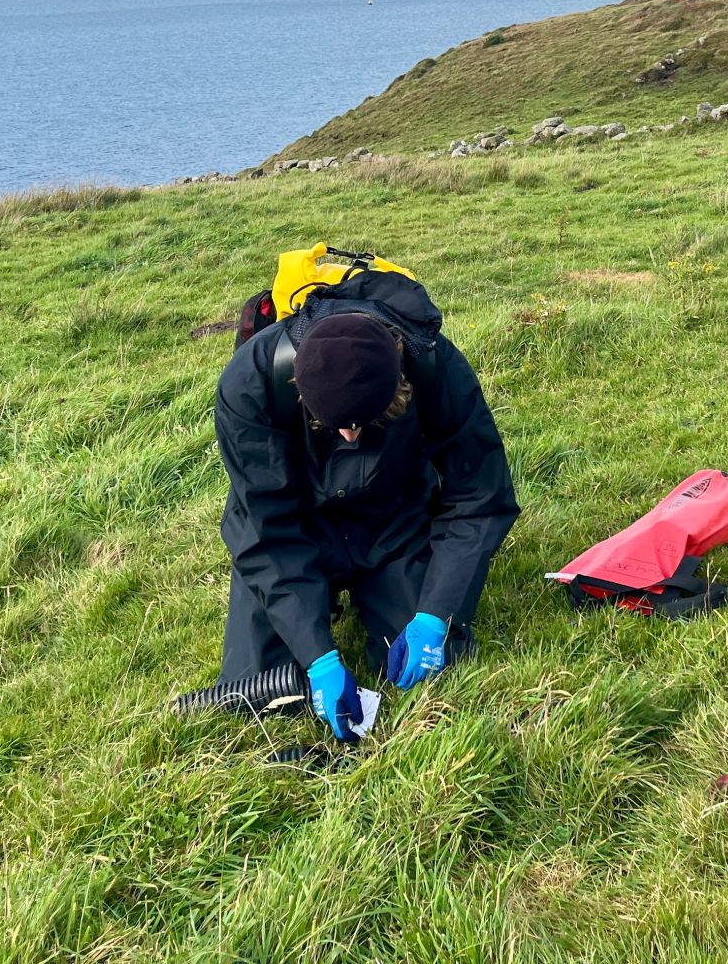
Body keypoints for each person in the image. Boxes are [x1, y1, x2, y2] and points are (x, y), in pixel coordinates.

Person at [213, 267, 518, 741]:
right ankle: (311, 626)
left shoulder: (435, 366)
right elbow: (264, 526)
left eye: (365, 422)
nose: (350, 436)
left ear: (400, 381)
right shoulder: (250, 382)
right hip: (298, 525)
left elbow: (479, 497)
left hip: (391, 523)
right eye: (333, 424)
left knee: (439, 667)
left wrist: (436, 613)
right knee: (262, 692)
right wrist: (318, 656)